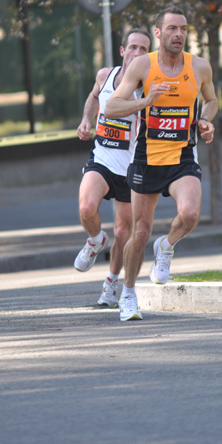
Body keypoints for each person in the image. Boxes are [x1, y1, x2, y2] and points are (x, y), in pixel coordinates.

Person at [105, 6, 218, 321]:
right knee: (140, 231)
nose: (179, 34)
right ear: (158, 33)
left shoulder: (199, 67)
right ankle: (128, 294)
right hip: (147, 157)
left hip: (182, 154)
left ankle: (166, 246)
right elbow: (113, 106)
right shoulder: (143, 65)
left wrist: (205, 121)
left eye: (183, 29)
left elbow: (211, 100)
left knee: (191, 214)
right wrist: (145, 101)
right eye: (172, 29)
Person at [73, 28, 152, 308]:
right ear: (122, 51)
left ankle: (111, 283)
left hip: (130, 169)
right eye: (133, 47)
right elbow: (95, 97)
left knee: (122, 233)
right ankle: (95, 240)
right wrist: (86, 119)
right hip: (103, 159)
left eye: (144, 49)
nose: (138, 54)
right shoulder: (105, 75)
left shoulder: (148, 87)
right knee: (86, 208)